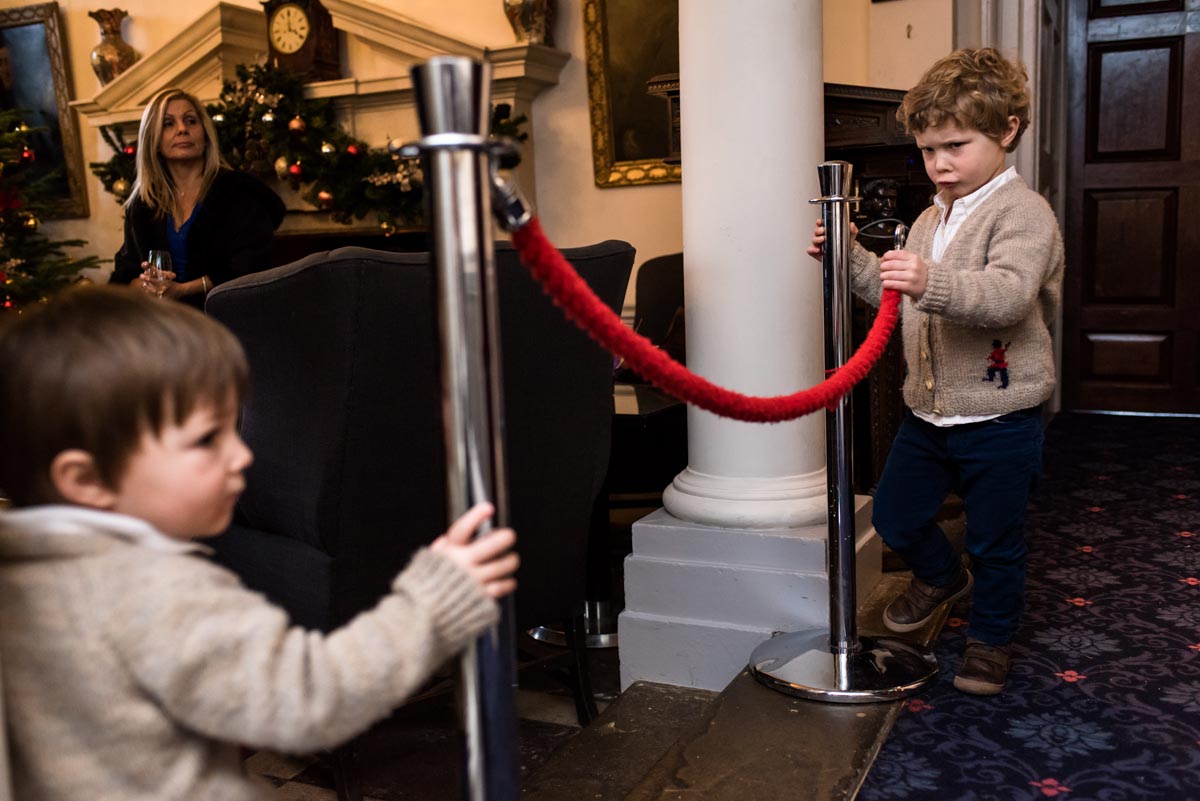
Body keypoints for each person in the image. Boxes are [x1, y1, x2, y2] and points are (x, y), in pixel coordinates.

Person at [0, 286, 519, 800]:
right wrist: (432, 602)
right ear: (87, 480)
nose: (242, 456)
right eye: (207, 439)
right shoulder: (157, 591)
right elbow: (312, 700)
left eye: (236, 428)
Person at [808, 47, 1064, 695]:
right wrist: (847, 258)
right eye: (927, 150)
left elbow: (1005, 295)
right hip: (928, 412)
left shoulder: (1023, 213)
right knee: (894, 518)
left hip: (1001, 414)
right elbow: (892, 292)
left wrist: (932, 278)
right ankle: (942, 577)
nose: (939, 164)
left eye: (955, 145)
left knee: (996, 541)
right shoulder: (928, 218)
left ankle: (990, 641)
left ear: (1006, 131)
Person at [109, 88, 286, 307]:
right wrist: (146, 284)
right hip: (167, 323)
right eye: (168, 124)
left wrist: (182, 290)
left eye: (191, 121)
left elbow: (251, 266)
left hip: (230, 316)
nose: (182, 129)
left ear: (205, 134)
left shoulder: (238, 190)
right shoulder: (143, 203)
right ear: (152, 140)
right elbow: (125, 272)